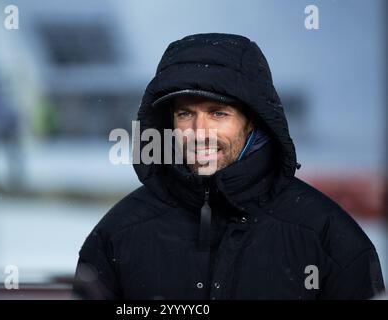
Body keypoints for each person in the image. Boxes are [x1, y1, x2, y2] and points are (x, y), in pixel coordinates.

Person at [73, 33, 385, 299]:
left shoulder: (328, 237)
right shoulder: (117, 235)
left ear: (253, 121)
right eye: (185, 114)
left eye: (218, 113)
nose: (199, 131)